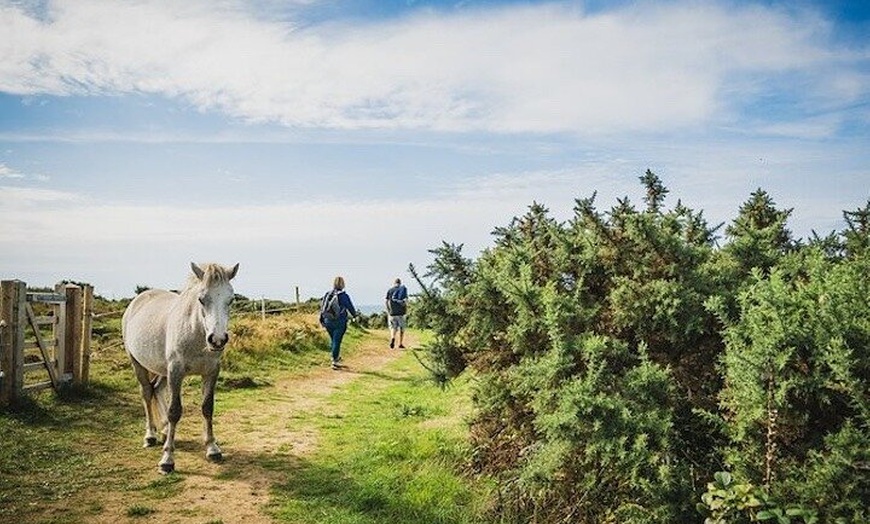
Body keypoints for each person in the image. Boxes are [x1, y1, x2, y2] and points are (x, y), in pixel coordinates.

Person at [319, 276, 358, 369]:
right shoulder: (343, 295)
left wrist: (321, 319)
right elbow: (350, 307)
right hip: (339, 321)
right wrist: (355, 316)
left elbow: (322, 307)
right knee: (337, 341)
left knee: (333, 340)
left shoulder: (328, 294)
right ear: (343, 284)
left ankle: (335, 356)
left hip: (327, 320)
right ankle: (334, 361)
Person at [385, 277, 408, 349]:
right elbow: (406, 301)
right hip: (401, 313)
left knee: (393, 328)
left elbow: (386, 301)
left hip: (392, 313)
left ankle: (392, 338)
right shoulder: (402, 290)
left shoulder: (390, 290)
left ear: (394, 283)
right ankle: (400, 343)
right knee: (402, 328)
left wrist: (388, 310)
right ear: (400, 283)